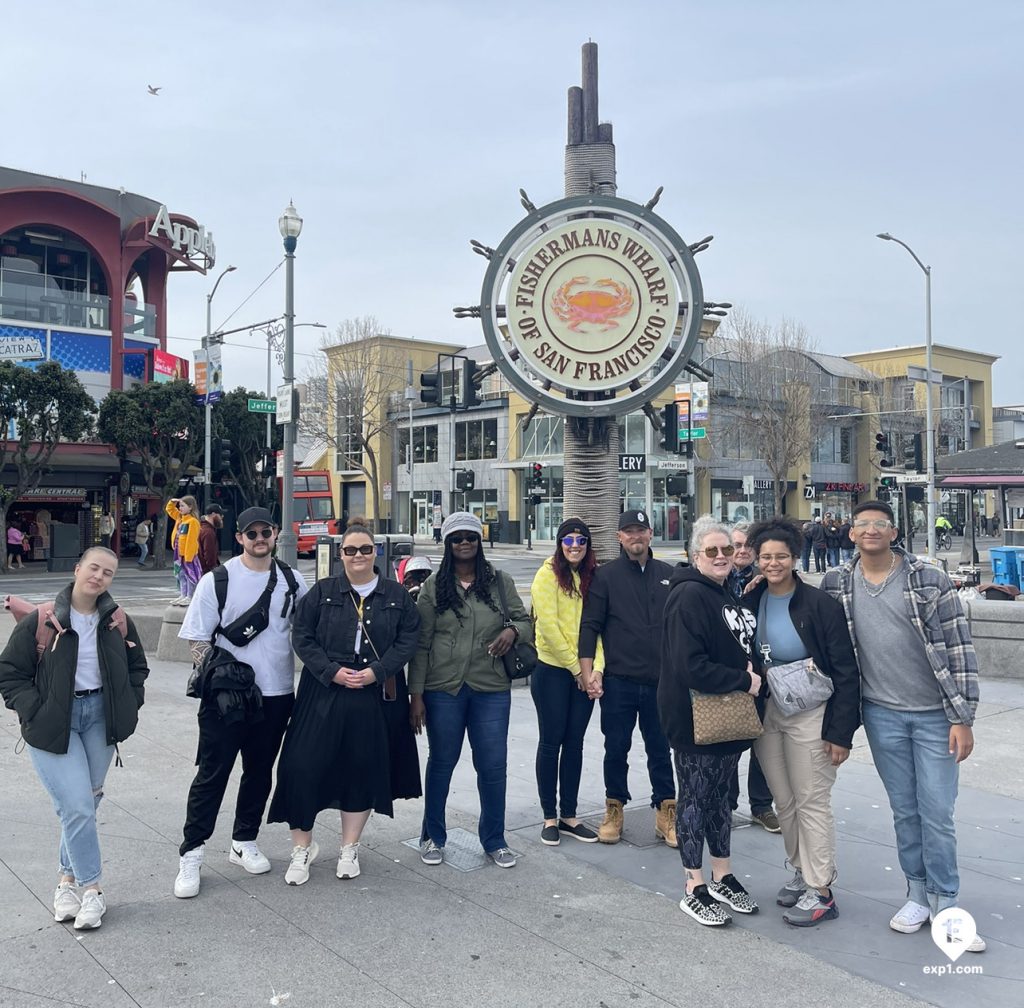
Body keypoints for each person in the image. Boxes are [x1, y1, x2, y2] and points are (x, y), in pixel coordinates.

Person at [822, 500, 985, 952]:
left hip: (936, 715)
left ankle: (947, 902)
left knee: (938, 811)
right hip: (880, 713)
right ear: (850, 533)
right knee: (905, 810)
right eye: (862, 525)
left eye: (880, 524)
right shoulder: (838, 581)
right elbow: (800, 603)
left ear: (893, 533)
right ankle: (916, 894)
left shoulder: (927, 578)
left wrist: (962, 717)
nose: (871, 530)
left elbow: (959, 648)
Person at [0, 547, 149, 930]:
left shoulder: (116, 619)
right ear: (78, 567)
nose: (99, 577)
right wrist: (33, 708)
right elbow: (10, 671)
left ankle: (65, 882)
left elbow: (138, 667)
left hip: (100, 718)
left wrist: (130, 703)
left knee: (86, 802)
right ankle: (92, 891)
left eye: (109, 572)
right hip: (53, 723)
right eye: (94, 568)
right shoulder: (44, 617)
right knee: (79, 807)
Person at [268, 521, 420, 886]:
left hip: (374, 692)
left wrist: (378, 671)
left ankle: (349, 847)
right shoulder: (322, 592)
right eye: (350, 550)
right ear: (340, 555)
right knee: (301, 765)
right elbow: (302, 636)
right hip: (324, 689)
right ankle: (301, 849)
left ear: (375, 553)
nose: (358, 556)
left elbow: (408, 639)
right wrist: (330, 671)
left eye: (365, 549)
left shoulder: (396, 595)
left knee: (361, 767)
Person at [173, 507, 308, 899]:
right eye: (252, 534)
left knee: (260, 771)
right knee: (212, 774)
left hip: (277, 693)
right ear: (239, 538)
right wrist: (221, 675)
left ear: (275, 533)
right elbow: (197, 639)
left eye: (266, 532)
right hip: (226, 699)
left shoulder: (291, 579)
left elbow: (307, 627)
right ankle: (192, 851)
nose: (260, 538)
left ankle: (244, 839)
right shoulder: (219, 580)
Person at [743, 517, 860, 926]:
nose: (773, 563)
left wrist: (840, 732)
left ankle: (822, 888)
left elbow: (846, 669)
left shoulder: (819, 604)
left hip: (813, 712)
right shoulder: (752, 599)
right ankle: (801, 871)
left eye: (781, 556)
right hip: (770, 710)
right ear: (756, 560)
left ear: (795, 557)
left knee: (812, 800)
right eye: (766, 557)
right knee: (784, 799)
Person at [409, 512, 532, 869]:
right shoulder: (434, 585)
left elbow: (524, 622)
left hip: (490, 687)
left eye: (471, 537)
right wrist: (415, 695)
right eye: (457, 538)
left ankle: (494, 839)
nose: (464, 543)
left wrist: (513, 632)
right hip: (443, 689)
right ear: (447, 544)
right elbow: (421, 643)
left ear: (479, 542)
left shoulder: (500, 581)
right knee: (442, 762)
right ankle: (432, 835)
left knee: (493, 766)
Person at [658, 516, 761, 927]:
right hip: (694, 717)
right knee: (695, 799)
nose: (722, 556)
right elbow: (690, 666)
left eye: (728, 549)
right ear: (695, 555)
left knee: (721, 799)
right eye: (712, 551)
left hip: (726, 716)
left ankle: (722, 873)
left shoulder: (725, 593)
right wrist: (745, 679)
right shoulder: (689, 597)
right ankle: (693, 885)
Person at [578, 509, 677, 847]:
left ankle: (666, 811)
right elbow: (590, 625)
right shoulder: (605, 576)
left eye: (641, 530)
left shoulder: (670, 574)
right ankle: (614, 809)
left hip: (661, 682)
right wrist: (588, 671)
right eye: (629, 531)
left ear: (651, 534)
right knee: (616, 748)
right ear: (620, 537)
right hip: (619, 681)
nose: (636, 536)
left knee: (661, 749)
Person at [529, 518, 603, 846]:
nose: (575, 547)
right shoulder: (547, 575)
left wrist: (596, 670)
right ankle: (549, 816)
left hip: (585, 672)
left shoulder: (593, 577)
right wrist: (578, 670)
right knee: (551, 742)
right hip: (553, 672)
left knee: (575, 744)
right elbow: (548, 628)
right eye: (569, 541)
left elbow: (600, 626)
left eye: (581, 541)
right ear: (559, 544)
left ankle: (569, 815)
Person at [727, 524, 778, 834]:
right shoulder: (716, 577)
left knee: (763, 741)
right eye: (736, 545)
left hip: (762, 673)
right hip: (731, 676)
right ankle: (727, 803)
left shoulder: (765, 583)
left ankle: (761, 805)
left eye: (747, 546)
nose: (741, 550)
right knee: (729, 739)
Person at [166, 496, 202, 606]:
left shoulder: (192, 522)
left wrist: (188, 556)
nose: (180, 508)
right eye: (180, 506)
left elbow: (191, 540)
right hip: (178, 553)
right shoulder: (180, 519)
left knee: (189, 575)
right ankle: (183, 594)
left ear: (190, 507)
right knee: (180, 575)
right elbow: (170, 510)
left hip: (187, 555)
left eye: (182, 506)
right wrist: (172, 502)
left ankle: (190, 596)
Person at [197, 503, 225, 574]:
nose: (222, 517)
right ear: (213, 514)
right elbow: (209, 556)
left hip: (199, 569)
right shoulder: (208, 532)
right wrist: (214, 570)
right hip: (206, 572)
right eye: (220, 515)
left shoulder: (200, 527)